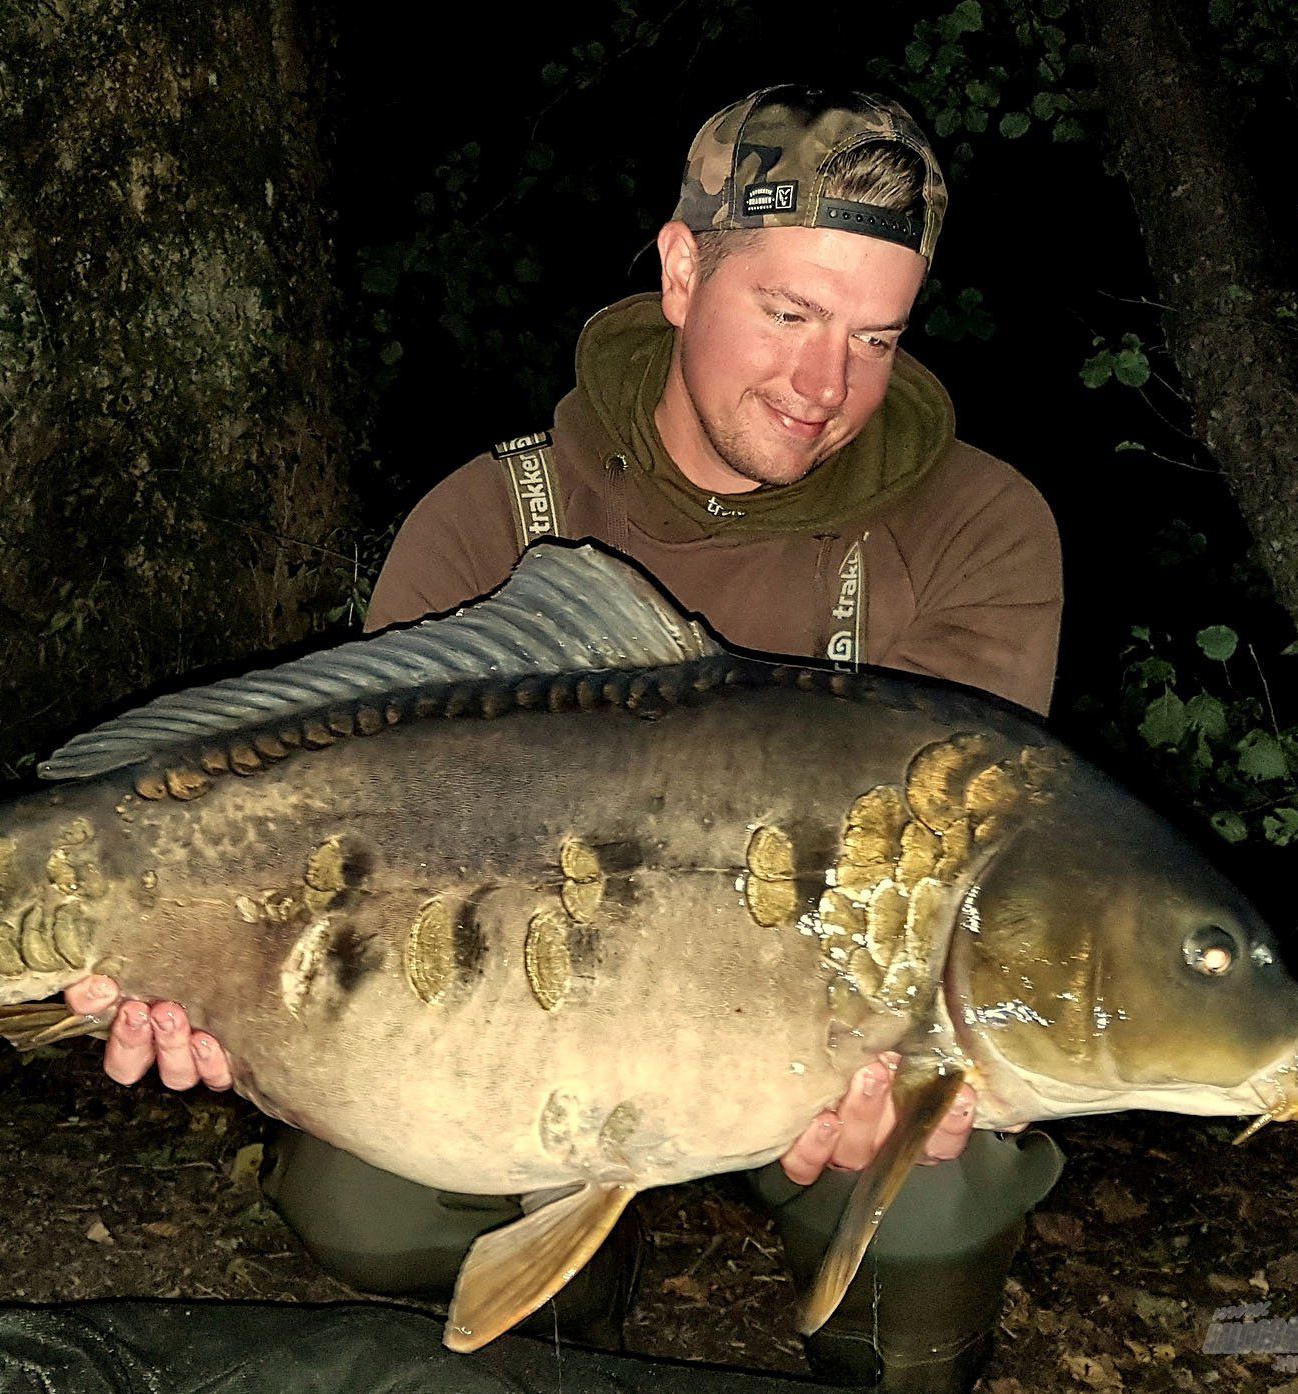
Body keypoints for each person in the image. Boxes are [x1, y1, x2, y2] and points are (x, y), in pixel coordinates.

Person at [65, 86, 1065, 1392]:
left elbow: (965, 884)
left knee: (936, 1186)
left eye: (875, 338)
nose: (827, 388)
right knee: (367, 1195)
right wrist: (220, 987)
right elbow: (340, 865)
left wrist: (921, 1069)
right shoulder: (490, 520)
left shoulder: (978, 529)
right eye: (789, 314)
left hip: (807, 1040)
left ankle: (902, 1366)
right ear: (683, 267)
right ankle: (560, 1337)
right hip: (508, 1028)